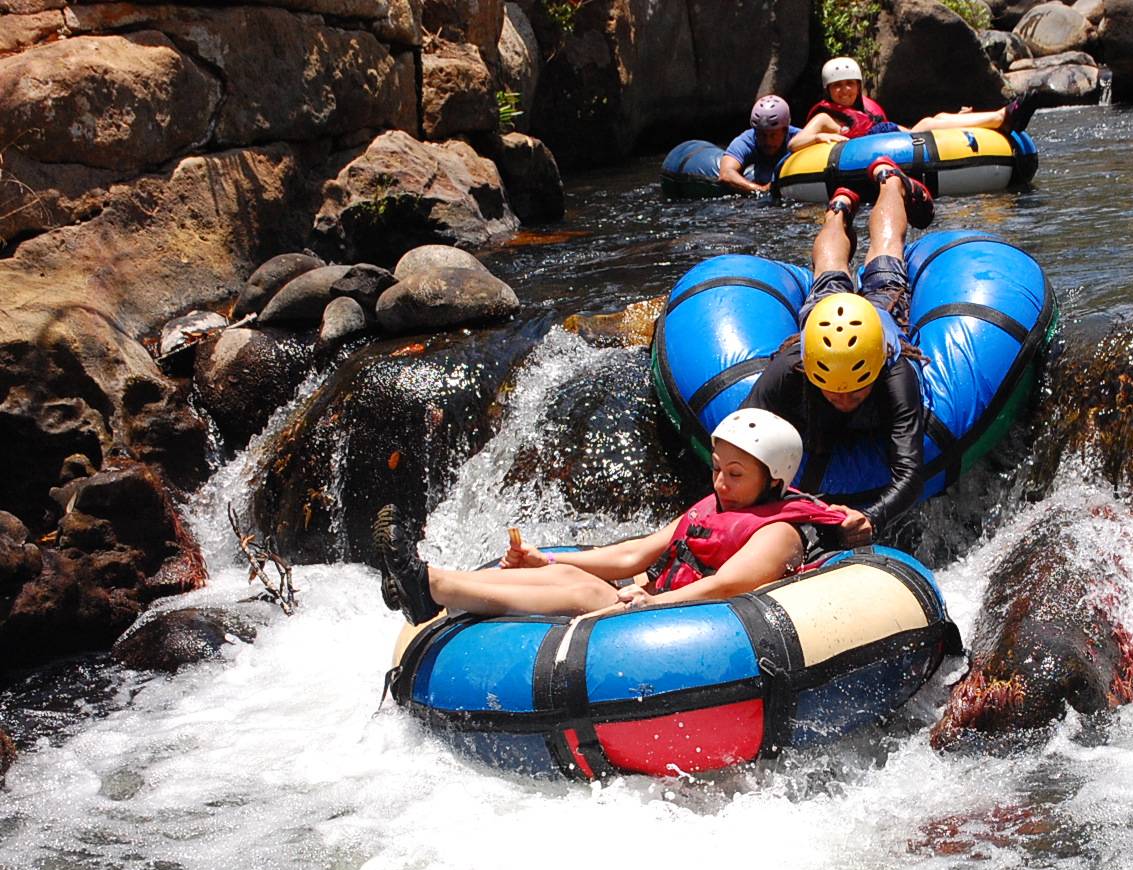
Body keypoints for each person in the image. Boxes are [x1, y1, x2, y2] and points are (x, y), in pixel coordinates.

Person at [373, 409, 847, 625]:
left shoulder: (780, 531)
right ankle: (431, 584)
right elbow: (635, 553)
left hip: (702, 624)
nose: (721, 483)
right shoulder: (717, 508)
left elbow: (726, 587)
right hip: (660, 602)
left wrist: (651, 604)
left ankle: (430, 586)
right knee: (566, 575)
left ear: (775, 480)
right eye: (718, 469)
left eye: (736, 474)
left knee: (581, 592)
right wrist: (546, 561)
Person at [741, 157, 936, 548]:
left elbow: (910, 471)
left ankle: (890, 183)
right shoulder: (792, 366)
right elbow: (741, 436)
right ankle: (840, 207)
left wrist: (871, 517)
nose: (844, 399)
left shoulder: (895, 374)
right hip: (823, 317)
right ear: (812, 371)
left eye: (856, 391)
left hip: (881, 315)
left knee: (886, 253)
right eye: (833, 391)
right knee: (828, 269)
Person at [803, 56, 1040, 141]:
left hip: (897, 137)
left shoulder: (864, 112)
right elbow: (796, 143)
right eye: (837, 87)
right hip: (880, 148)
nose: (844, 91)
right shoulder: (825, 117)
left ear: (858, 86)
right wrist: (822, 136)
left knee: (941, 117)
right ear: (828, 91)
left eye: (849, 84)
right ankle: (1003, 116)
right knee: (927, 123)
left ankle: (1002, 117)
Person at [718, 95, 841, 195]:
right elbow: (726, 174)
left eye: (773, 135)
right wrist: (760, 190)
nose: (768, 141)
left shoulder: (799, 138)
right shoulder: (747, 139)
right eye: (762, 135)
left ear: (785, 130)